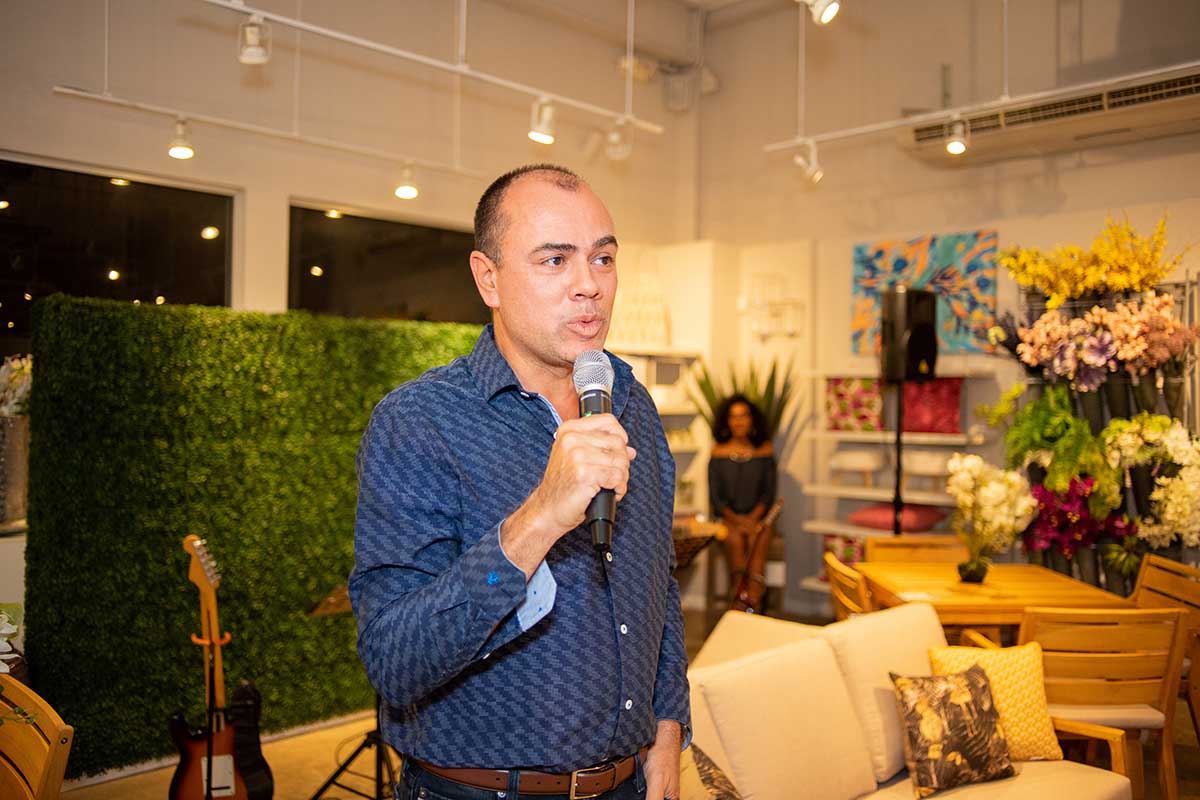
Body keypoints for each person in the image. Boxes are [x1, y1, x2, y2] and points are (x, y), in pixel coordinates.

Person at [350, 164, 689, 800]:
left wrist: (668, 725)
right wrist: (540, 517)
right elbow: (395, 661)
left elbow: (658, 584)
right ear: (489, 278)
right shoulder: (419, 421)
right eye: (555, 260)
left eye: (603, 258)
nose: (589, 285)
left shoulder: (631, 402)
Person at [707, 394, 777, 609]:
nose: (739, 421)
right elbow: (716, 498)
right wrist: (737, 520)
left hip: (758, 518)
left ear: (752, 419)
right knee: (735, 539)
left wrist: (752, 519)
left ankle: (754, 598)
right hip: (728, 519)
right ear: (727, 421)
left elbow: (768, 494)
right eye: (734, 417)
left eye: (744, 416)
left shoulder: (765, 451)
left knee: (758, 536)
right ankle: (739, 597)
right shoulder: (718, 452)